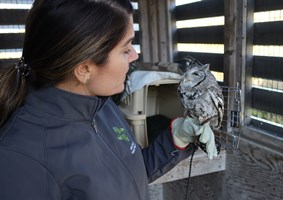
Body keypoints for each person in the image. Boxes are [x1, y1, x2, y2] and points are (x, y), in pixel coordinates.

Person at [0, 0, 217, 199]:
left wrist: (175, 140)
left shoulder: (101, 107)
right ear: (85, 69)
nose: (135, 56)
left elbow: (125, 175)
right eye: (126, 49)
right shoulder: (21, 162)